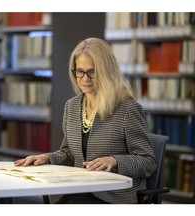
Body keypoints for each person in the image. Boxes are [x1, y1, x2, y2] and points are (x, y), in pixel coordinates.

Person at [14, 37, 157, 204]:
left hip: (113, 196)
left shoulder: (126, 108)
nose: (85, 78)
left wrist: (115, 160)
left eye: (92, 71)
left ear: (106, 71)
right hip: (80, 188)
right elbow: (69, 154)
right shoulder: (72, 106)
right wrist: (47, 158)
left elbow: (148, 160)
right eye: (79, 71)